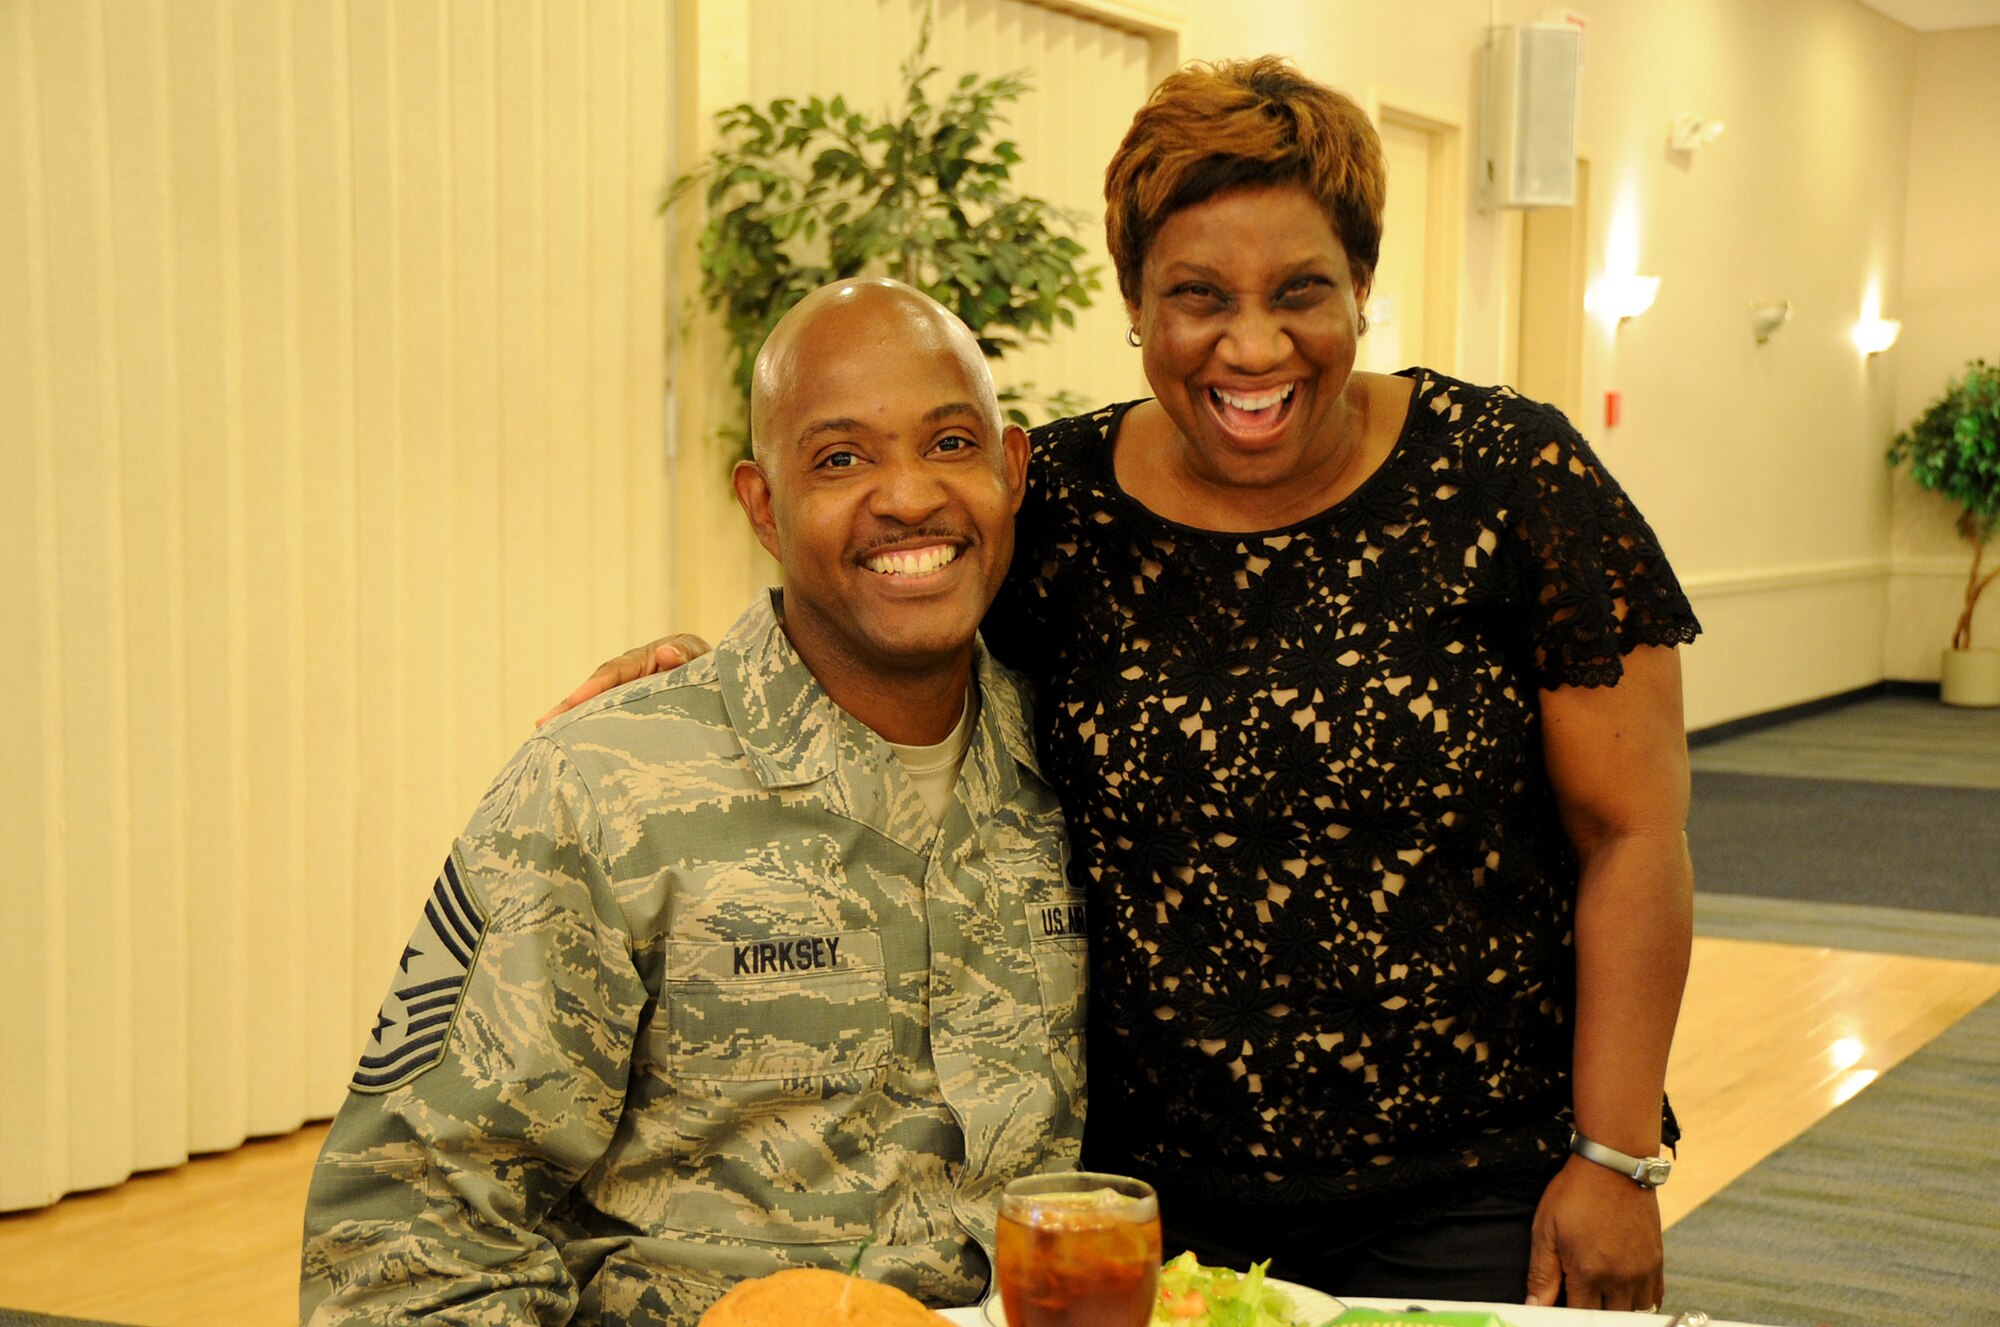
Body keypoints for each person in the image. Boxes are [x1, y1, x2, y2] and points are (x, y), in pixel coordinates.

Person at [549, 57, 1699, 1313]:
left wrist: (1614, 1157)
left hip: (1472, 1190)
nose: (1250, 343)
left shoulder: (1506, 477)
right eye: (1197, 295)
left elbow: (1631, 831)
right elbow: (892, 607)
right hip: (1134, 1202)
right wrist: (703, 679)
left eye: (1300, 291)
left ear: (1362, 289)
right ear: (1135, 303)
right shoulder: (1066, 503)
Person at [300, 278, 1085, 1326]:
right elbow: (405, 1241)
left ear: (1013, 468)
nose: (906, 496)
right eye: (840, 458)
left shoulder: (1083, 766)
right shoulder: (604, 790)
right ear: (763, 505)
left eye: (949, 443)